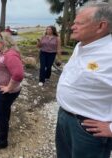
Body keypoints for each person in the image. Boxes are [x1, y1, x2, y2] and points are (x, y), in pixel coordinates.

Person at [55, 2, 112, 158]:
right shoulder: (81, 45)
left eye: (79, 23)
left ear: (101, 26)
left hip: (88, 130)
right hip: (64, 117)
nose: (72, 26)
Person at [0, 32, 24, 150]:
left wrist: (9, 87)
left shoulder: (10, 55)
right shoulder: (6, 53)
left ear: (3, 42)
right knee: (4, 111)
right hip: (3, 89)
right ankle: (4, 125)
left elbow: (18, 75)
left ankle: (2, 141)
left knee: (0, 113)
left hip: (5, 91)